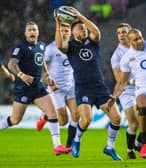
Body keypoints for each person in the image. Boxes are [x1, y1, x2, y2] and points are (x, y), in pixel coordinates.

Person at [55, 7, 122, 160]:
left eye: (85, 28)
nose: (84, 30)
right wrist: (58, 24)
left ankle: (109, 147)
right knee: (86, 119)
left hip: (100, 87)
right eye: (80, 28)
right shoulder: (70, 46)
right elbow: (60, 45)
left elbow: (97, 32)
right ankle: (76, 141)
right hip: (83, 88)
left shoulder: (92, 42)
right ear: (73, 32)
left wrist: (81, 17)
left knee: (116, 118)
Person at [0, 21, 71, 155]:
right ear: (25, 33)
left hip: (38, 88)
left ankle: (57, 146)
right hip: (24, 88)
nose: (32, 32)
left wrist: (47, 76)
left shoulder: (42, 46)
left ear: (38, 32)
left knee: (52, 114)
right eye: (29, 30)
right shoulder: (21, 47)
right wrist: (21, 75)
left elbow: (42, 62)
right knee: (15, 120)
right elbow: (11, 64)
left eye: (34, 30)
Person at [112, 28, 146, 163]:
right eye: (136, 39)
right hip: (142, 89)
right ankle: (145, 144)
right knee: (143, 107)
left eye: (141, 37)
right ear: (130, 41)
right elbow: (122, 81)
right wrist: (113, 97)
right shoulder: (126, 58)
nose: (140, 41)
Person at [36, 23, 79, 148]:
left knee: (76, 115)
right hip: (56, 89)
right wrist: (48, 81)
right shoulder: (51, 48)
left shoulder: (73, 47)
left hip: (70, 86)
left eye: (66, 31)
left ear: (70, 33)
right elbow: (42, 68)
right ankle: (45, 116)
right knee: (63, 121)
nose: (64, 33)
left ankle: (70, 145)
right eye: (61, 31)